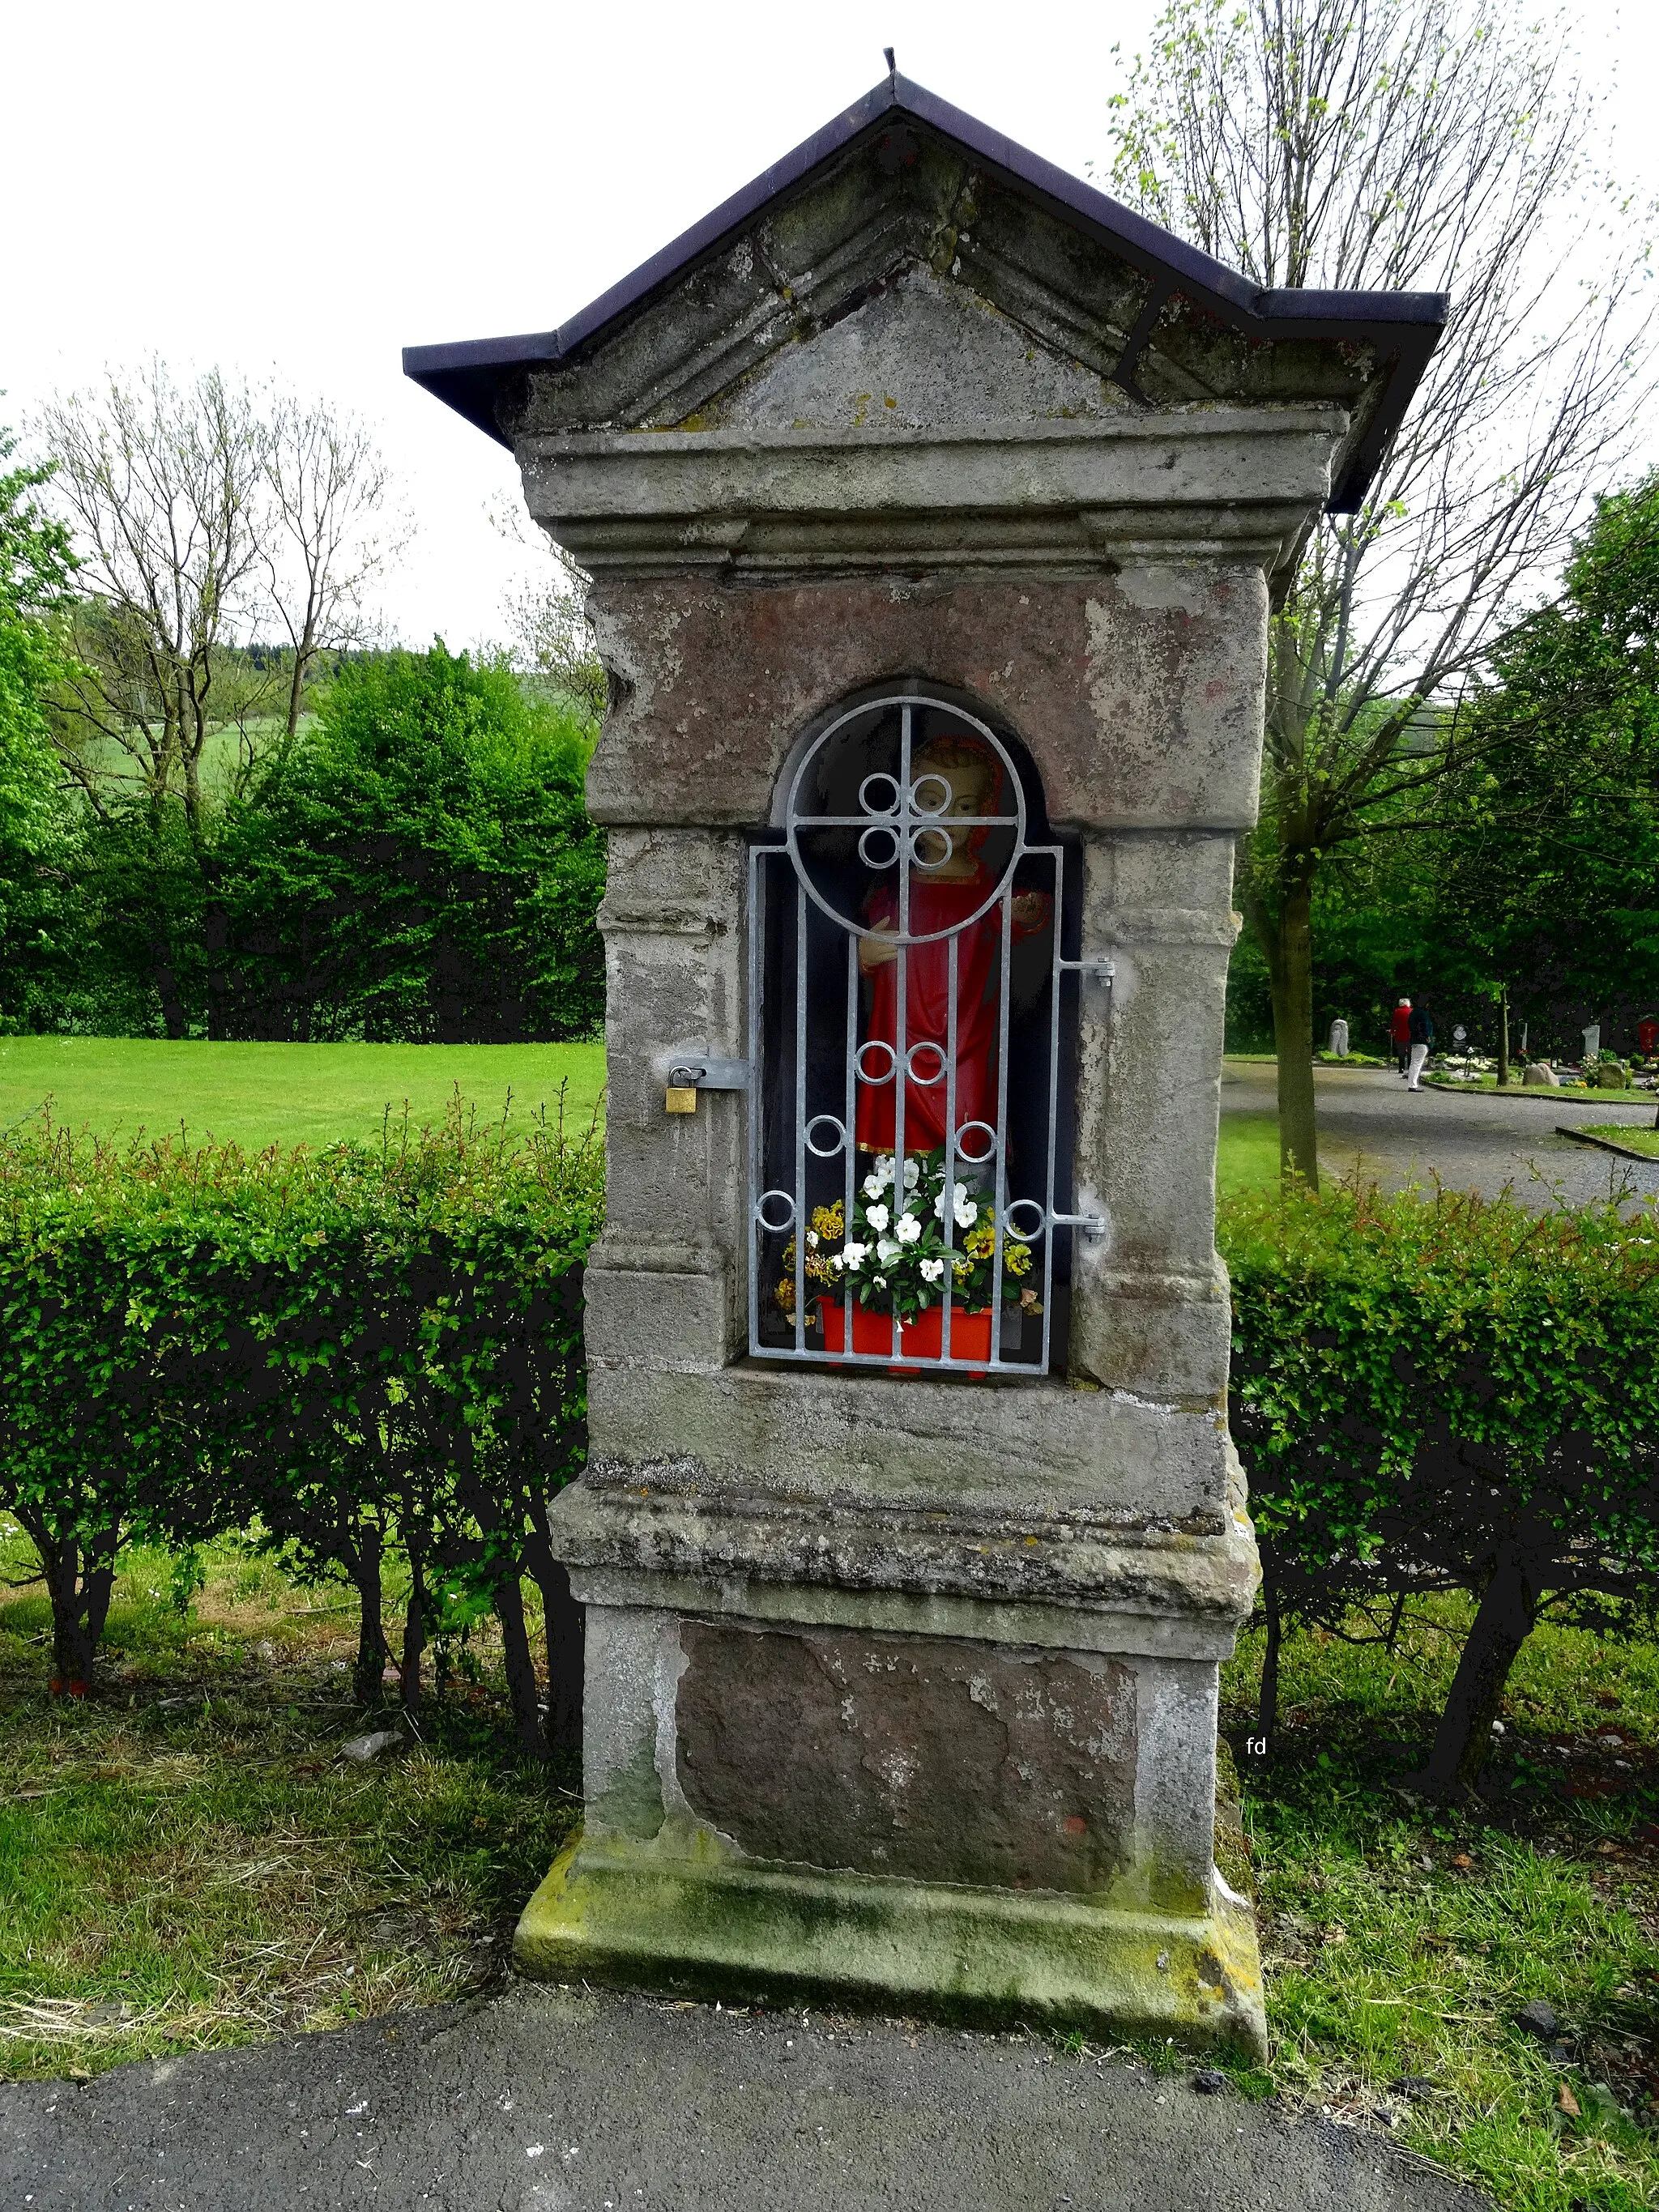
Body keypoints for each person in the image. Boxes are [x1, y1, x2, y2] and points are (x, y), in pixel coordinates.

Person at [855, 732, 1049, 1156]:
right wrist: (862, 957)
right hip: (900, 1034)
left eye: (963, 807)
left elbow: (1021, 932)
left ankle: (974, 1217)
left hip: (968, 1036)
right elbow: (849, 944)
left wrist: (1028, 915)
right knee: (897, 1143)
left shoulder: (989, 890)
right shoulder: (890, 887)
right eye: (931, 803)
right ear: (906, 807)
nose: (947, 820)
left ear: (984, 813)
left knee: (969, 1127)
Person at [1405, 1000, 1435, 1091]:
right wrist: (1427, 1037)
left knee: (1414, 1063)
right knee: (1417, 1063)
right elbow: (1425, 1026)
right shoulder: (1423, 1014)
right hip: (1422, 1041)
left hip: (1414, 1040)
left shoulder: (1413, 1013)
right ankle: (1413, 1085)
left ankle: (1412, 1084)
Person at [1390, 997, 1413, 1076]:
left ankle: (1401, 1068)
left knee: (1401, 1052)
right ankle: (1410, 1068)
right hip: (1410, 1034)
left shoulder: (1397, 1011)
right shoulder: (1411, 1011)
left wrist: (1392, 1031)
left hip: (1400, 1034)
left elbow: (1394, 1023)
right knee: (1410, 1052)